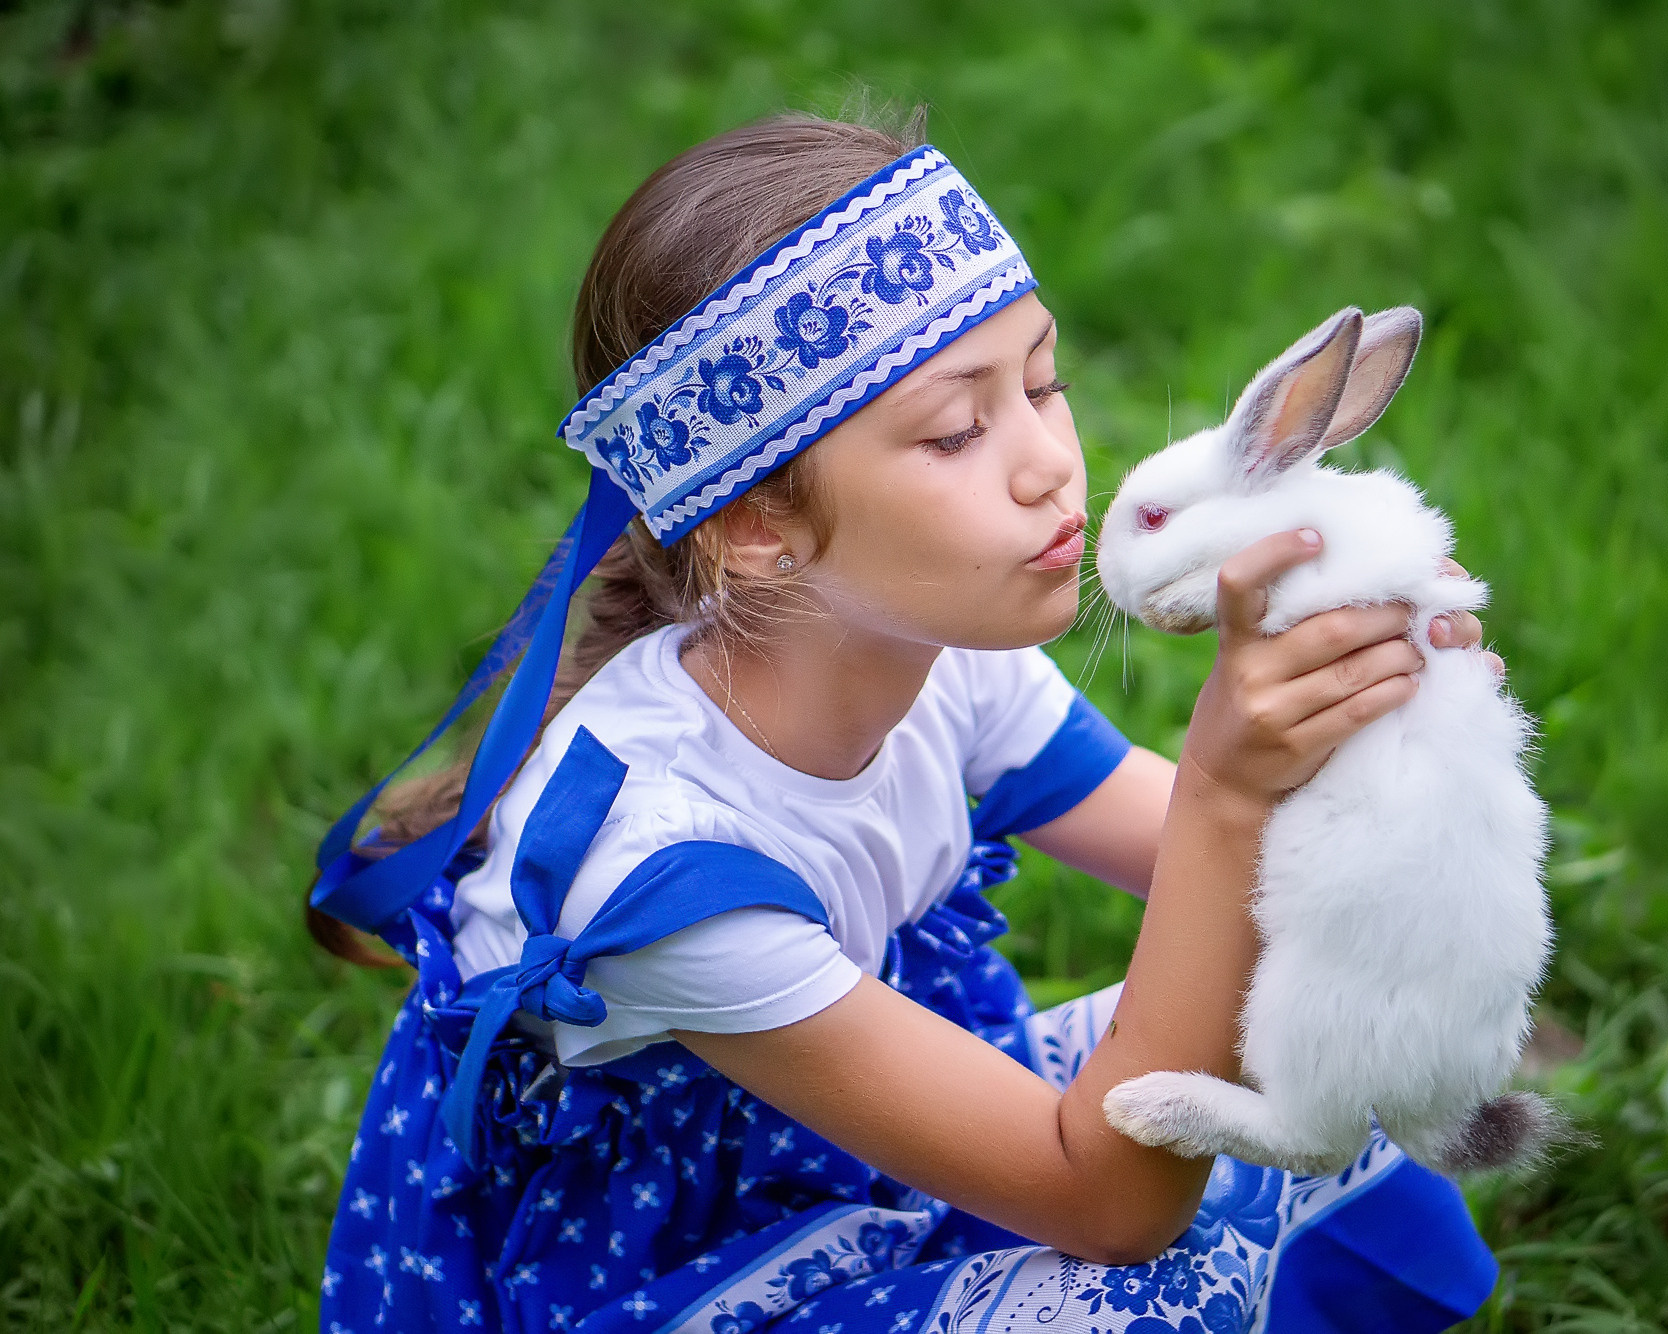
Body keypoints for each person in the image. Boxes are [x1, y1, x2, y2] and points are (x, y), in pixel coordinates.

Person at [308, 107, 1506, 1334]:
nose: (1050, 462)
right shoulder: (662, 867)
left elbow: (1285, 896)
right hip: (687, 1263)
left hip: (868, 1147)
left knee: (1310, 1053)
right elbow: (1106, 1202)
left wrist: (1375, 740)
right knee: (1139, 1288)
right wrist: (1227, 785)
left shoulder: (940, 655)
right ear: (754, 527)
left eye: (1042, 382)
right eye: (954, 428)